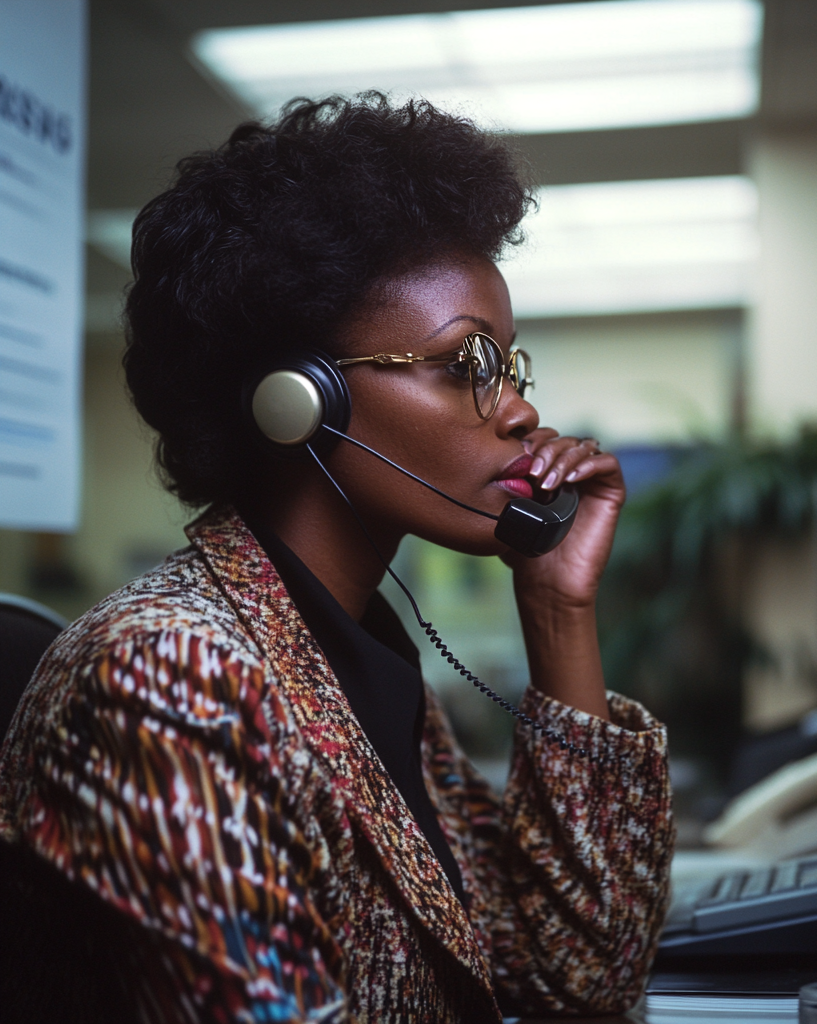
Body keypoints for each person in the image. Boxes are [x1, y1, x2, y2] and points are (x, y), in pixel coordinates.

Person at [0, 95, 674, 1024]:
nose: (518, 411)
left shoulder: (359, 655)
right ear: (300, 401)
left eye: (507, 366)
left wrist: (560, 606)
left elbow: (583, 979)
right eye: (462, 363)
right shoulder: (167, 676)